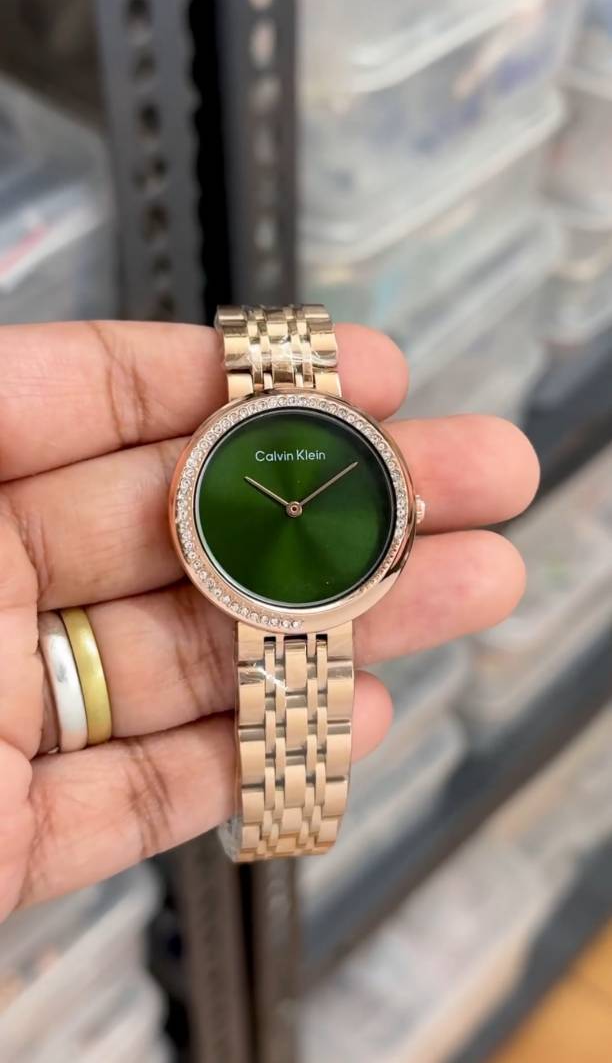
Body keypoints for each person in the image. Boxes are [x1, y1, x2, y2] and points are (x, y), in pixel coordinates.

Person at [0, 319, 539, 921]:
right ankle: (283, 821)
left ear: (406, 512)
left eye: (301, 504)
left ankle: (285, 821)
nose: (295, 507)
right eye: (288, 502)